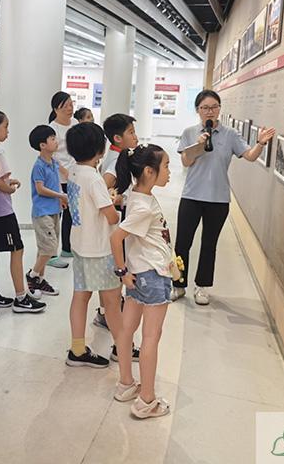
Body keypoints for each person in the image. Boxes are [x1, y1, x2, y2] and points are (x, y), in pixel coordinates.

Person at [173, 90, 275, 304]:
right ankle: (178, 284)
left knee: (209, 245)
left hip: (218, 200)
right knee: (182, 242)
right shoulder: (190, 132)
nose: (210, 112)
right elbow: (186, 162)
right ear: (198, 110)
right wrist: (198, 146)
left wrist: (260, 143)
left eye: (214, 107)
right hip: (191, 196)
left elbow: (249, 156)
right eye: (205, 108)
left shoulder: (230, 134)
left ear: (219, 109)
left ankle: (202, 287)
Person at [110, 144, 174, 418]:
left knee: (127, 329)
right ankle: (147, 399)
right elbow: (116, 238)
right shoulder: (142, 207)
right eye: (166, 166)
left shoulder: (136, 196)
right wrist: (121, 271)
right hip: (152, 275)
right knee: (151, 337)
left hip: (139, 273)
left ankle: (126, 384)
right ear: (149, 171)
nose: (169, 172)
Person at [0, 111, 46, 314]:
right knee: (17, 249)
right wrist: (11, 188)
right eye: (5, 126)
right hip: (1, 211)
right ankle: (21, 297)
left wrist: (7, 182)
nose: (7, 131)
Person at [64, 122, 122, 368]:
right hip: (99, 250)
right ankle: (123, 348)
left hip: (80, 244)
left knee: (81, 296)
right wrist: (115, 201)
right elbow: (112, 217)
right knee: (112, 302)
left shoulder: (73, 171)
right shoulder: (94, 179)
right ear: (100, 149)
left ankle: (77, 349)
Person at [94, 113, 139, 330]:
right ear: (117, 138)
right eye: (131, 132)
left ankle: (106, 310)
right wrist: (117, 198)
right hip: (116, 221)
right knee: (114, 268)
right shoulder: (115, 160)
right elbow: (105, 186)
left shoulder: (120, 154)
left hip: (118, 219)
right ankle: (107, 311)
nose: (135, 136)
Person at [26, 125, 66, 298]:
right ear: (42, 145)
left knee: (44, 248)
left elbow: (57, 182)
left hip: (54, 210)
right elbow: (40, 189)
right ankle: (32, 275)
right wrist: (60, 195)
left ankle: (40, 281)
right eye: (52, 139)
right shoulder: (38, 166)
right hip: (42, 212)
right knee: (49, 248)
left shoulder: (54, 163)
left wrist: (60, 198)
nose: (56, 141)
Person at [49, 91, 77, 264]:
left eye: (71, 104)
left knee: (71, 214)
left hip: (74, 175)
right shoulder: (52, 128)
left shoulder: (75, 124)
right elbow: (51, 155)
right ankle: (50, 253)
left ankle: (67, 248)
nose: (69, 108)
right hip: (58, 178)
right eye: (65, 106)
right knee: (55, 215)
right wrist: (64, 170)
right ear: (56, 109)